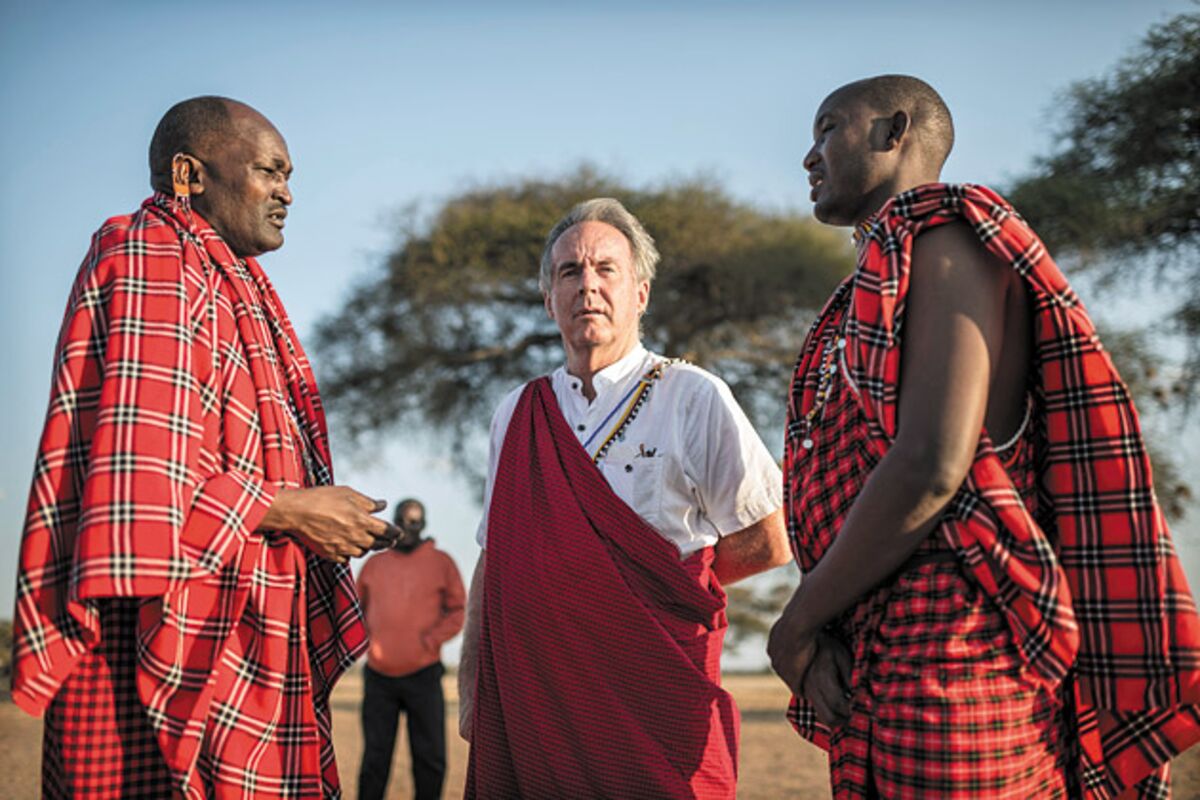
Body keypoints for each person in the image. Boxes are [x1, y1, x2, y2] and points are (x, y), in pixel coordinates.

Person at [767, 74, 1200, 799]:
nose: (809, 157)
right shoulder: (870, 280)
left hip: (958, 660)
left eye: (828, 129)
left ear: (894, 131)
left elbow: (934, 465)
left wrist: (795, 626)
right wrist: (826, 632)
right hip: (879, 658)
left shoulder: (950, 237)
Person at [10, 96, 398, 799]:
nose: (287, 193)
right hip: (144, 635)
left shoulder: (239, 285)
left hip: (241, 627)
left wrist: (311, 511)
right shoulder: (148, 252)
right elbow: (139, 485)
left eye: (289, 176)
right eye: (270, 172)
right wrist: (292, 509)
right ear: (189, 174)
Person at [457, 197, 791, 799]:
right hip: (536, 699)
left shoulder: (692, 396)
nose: (587, 285)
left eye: (605, 269)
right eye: (569, 272)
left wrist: (646, 596)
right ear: (548, 299)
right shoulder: (518, 411)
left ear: (640, 293)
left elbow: (766, 540)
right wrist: (471, 681)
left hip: (655, 692)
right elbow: (496, 558)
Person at [356, 498, 466, 800]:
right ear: (394, 522)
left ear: (424, 525)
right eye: (404, 521)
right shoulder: (374, 564)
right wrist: (370, 641)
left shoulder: (441, 563)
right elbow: (354, 610)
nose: (409, 527)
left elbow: (458, 610)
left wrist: (429, 641)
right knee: (375, 759)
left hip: (424, 675)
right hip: (379, 676)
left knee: (429, 759)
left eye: (415, 522)